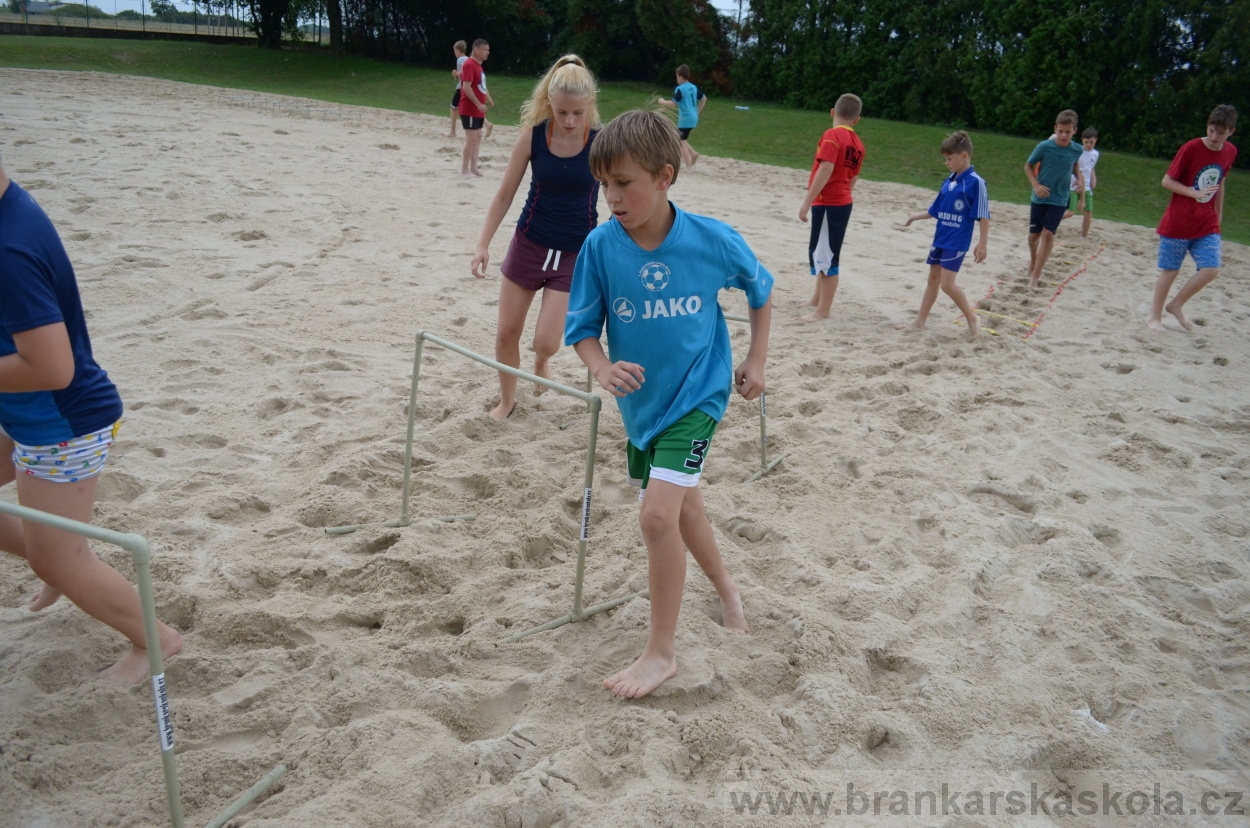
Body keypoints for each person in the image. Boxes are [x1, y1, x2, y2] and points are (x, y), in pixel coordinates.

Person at [564, 110, 773, 699]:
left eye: (623, 183)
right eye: (603, 185)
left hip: (699, 396)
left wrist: (756, 359)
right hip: (642, 409)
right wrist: (602, 367)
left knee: (656, 517)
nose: (611, 198)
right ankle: (729, 592)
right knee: (684, 512)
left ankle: (661, 654)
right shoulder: (600, 247)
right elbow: (582, 331)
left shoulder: (712, 239)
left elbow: (761, 289)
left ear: (664, 177)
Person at [0, 155, 183, 687]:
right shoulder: (10, 206)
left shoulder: (8, 248)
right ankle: (58, 557)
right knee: (54, 555)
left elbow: (52, 367)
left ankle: (155, 640)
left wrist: (58, 561)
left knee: (59, 559)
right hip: (21, 410)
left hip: (63, 424)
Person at [470, 55, 602, 421]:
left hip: (574, 252)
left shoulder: (600, 143)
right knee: (506, 333)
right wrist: (482, 245)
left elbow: (621, 193)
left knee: (547, 340)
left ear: (590, 104)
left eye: (578, 113)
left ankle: (542, 360)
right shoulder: (533, 137)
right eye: (562, 112)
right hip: (529, 243)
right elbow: (504, 195)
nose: (570, 121)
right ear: (549, 103)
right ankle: (507, 401)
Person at [1148, 104, 1238, 332]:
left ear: (1231, 132)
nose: (1214, 137)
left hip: (1206, 221)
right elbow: (1166, 181)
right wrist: (1193, 193)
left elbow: (1220, 184)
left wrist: (1218, 214)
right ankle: (1154, 318)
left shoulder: (1230, 151)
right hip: (1178, 221)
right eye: (1211, 131)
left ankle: (1176, 304)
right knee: (1171, 271)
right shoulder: (1191, 148)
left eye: (1220, 133)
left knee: (1211, 269)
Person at [895, 130, 989, 339]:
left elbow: (984, 215)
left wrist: (982, 243)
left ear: (964, 156)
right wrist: (914, 217)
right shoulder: (949, 181)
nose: (946, 163)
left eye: (949, 158)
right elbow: (935, 210)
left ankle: (972, 318)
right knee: (933, 279)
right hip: (941, 238)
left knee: (947, 284)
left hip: (957, 240)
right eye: (945, 159)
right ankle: (919, 321)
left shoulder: (976, 182)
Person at [797, 93, 864, 323]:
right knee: (823, 252)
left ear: (833, 112)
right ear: (856, 120)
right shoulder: (858, 143)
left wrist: (807, 202)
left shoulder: (832, 135)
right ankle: (817, 300)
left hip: (829, 203)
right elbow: (853, 178)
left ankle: (823, 310)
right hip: (842, 202)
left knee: (826, 257)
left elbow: (826, 169)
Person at [1024, 109, 1084, 287]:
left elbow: (1075, 165)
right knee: (1033, 237)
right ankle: (1033, 260)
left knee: (1048, 234)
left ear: (1074, 131)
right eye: (1060, 131)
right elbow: (1028, 166)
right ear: (1055, 129)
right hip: (1040, 197)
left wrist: (1079, 179)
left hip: (1059, 198)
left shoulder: (1077, 149)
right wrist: (1036, 185)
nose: (1063, 135)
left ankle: (1035, 276)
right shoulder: (1044, 146)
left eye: (1068, 131)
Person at [657, 64, 706, 169]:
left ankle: (689, 166)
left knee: (680, 142)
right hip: (693, 118)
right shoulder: (693, 87)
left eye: (676, 76)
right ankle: (693, 153)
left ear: (680, 76)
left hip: (685, 118)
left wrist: (662, 102)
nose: (677, 79)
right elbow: (704, 99)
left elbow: (673, 103)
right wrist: (697, 111)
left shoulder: (680, 89)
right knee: (681, 138)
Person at [457, 38, 491, 177]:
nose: (487, 52)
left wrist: (487, 98)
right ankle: (465, 169)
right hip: (469, 108)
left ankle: (474, 168)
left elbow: (480, 85)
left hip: (477, 109)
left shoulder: (478, 65)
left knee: (477, 137)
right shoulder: (470, 64)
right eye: (485, 50)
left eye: (488, 50)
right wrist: (478, 103)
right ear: (476, 50)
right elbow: (466, 86)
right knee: (470, 139)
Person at [1062, 127, 1099, 237]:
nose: (1089, 145)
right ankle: (1050, 222)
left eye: (1091, 142)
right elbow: (1076, 168)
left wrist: (1094, 178)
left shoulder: (1095, 154)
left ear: (1096, 140)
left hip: (1086, 186)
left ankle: (1084, 235)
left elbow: (1091, 167)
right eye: (1086, 142)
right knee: (1070, 212)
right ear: (1082, 140)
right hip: (1074, 184)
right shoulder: (1078, 151)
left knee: (1088, 212)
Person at [446, 40, 467, 139]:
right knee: (469, 109)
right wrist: (456, 75)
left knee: (453, 107)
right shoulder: (468, 59)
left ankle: (453, 131)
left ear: (458, 50)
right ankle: (487, 124)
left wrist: (456, 73)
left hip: (461, 88)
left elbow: (465, 73)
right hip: (467, 87)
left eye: (454, 51)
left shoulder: (460, 60)